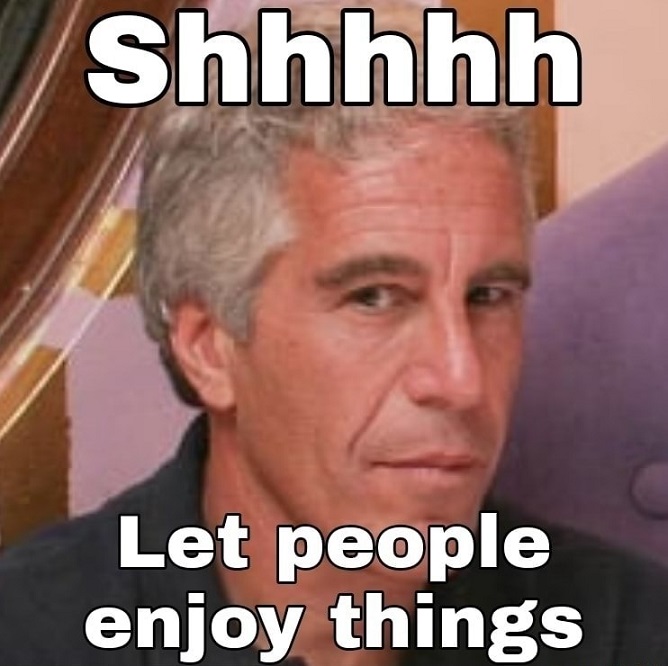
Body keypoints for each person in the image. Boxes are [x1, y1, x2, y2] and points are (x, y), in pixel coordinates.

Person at [1, 2, 668, 664]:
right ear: (208, 347)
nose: (461, 379)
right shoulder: (34, 636)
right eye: (374, 298)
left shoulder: (626, 631)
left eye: (488, 297)